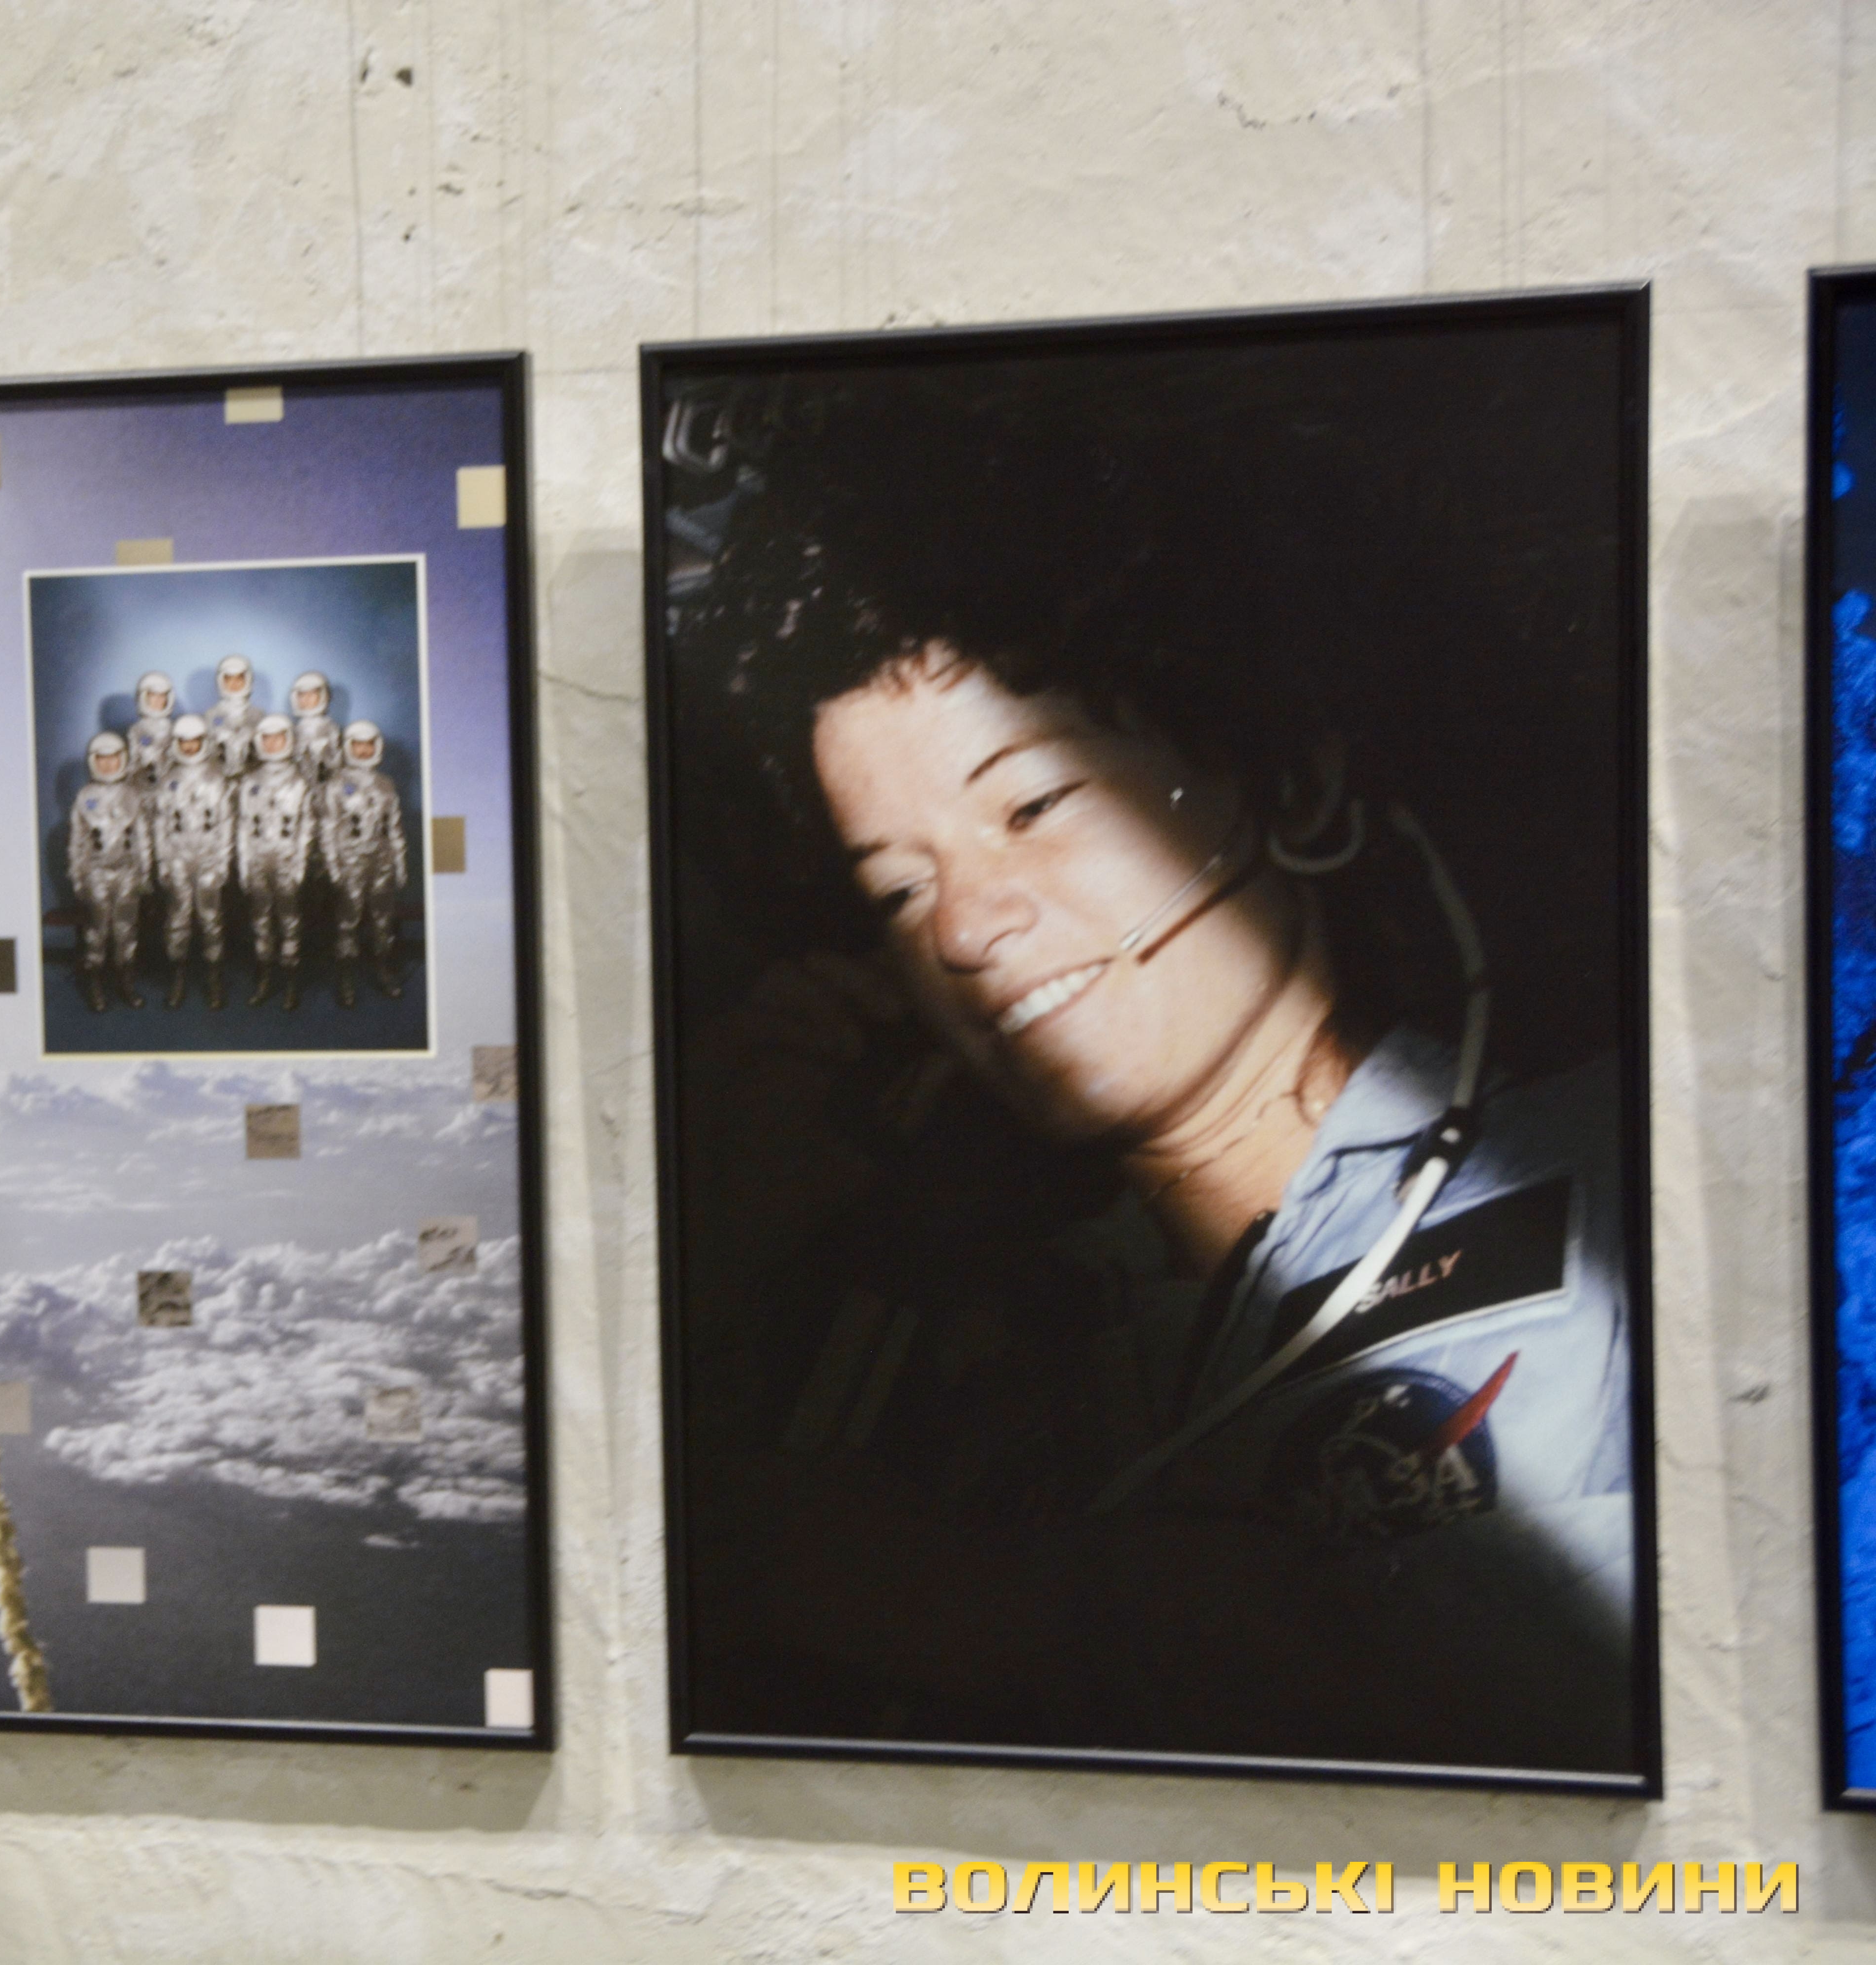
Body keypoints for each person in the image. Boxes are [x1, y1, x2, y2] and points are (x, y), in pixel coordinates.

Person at [668, 380, 1638, 1774]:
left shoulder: (1620, 1194)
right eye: (897, 890)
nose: (965, 926)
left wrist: (978, 1605)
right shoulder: (975, 1321)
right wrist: (722, 1255)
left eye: (1035, 804)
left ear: (1285, 787)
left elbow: (1595, 1696)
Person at [317, 719, 408, 1006]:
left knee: (383, 919)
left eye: (369, 745)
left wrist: (400, 862)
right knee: (348, 920)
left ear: (377, 747)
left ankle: (384, 968)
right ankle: (347, 976)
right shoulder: (336, 785)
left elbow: (394, 828)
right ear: (349, 747)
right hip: (350, 862)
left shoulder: (386, 785)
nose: (364, 750)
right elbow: (328, 829)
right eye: (358, 745)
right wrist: (334, 866)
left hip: (381, 861)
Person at [65, 730, 154, 1012]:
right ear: (94, 761)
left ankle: (126, 984)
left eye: (114, 758)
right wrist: (78, 877)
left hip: (127, 871)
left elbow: (143, 838)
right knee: (97, 930)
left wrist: (145, 873)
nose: (108, 764)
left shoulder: (132, 795)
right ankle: (95, 986)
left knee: (126, 930)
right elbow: (77, 842)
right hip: (96, 872)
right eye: (102, 759)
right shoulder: (85, 797)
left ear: (123, 759)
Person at [154, 713, 237, 1010]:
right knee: (178, 919)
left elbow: (226, 824)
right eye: (184, 742)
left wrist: (223, 862)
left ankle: (214, 977)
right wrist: (163, 862)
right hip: (178, 858)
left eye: (195, 741)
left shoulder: (217, 779)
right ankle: (178, 977)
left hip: (209, 858)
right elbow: (161, 825)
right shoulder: (168, 781)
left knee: (211, 919)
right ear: (176, 744)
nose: (190, 747)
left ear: (205, 742)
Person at [235, 714, 315, 1008]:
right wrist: (244, 865)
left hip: (287, 860)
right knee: (260, 920)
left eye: (278, 738)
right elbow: (244, 826)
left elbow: (306, 829)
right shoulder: (250, 782)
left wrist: (300, 865)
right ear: (259, 742)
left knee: (289, 920)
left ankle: (291, 980)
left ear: (288, 740)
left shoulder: (299, 783)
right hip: (258, 859)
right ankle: (265, 978)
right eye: (266, 739)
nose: (272, 744)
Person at [205, 655, 260, 778]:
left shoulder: (258, 715)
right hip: (218, 778)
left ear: (248, 680)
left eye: (239, 678)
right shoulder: (211, 715)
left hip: (251, 777)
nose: (234, 683)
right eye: (229, 679)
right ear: (221, 681)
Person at [288, 671, 342, 782]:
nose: (307, 699)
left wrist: (323, 754)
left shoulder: (330, 728)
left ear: (323, 696)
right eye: (302, 695)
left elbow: (337, 761)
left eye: (312, 694)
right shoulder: (294, 729)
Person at [126, 672, 178, 781]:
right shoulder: (136, 730)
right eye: (153, 696)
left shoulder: (175, 728)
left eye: (162, 696)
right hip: (142, 781)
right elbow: (132, 762)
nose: (158, 700)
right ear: (143, 697)